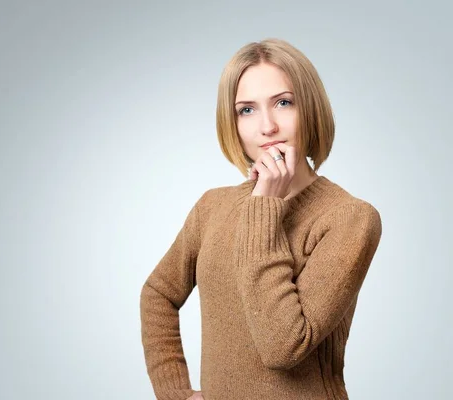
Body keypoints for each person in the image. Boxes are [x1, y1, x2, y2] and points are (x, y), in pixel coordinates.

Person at [139, 38, 383, 400]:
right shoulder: (212, 207)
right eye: (247, 110)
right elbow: (159, 294)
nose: (267, 126)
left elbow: (282, 347)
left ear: (310, 109)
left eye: (283, 103)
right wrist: (175, 392)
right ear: (232, 122)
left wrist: (263, 207)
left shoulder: (350, 219)